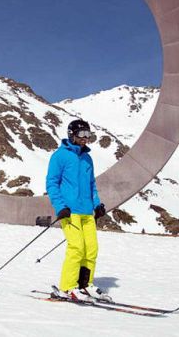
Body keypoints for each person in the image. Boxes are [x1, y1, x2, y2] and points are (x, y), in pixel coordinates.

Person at [46, 119, 111, 302]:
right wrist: (60, 206)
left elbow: (92, 185)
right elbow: (52, 183)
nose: (85, 139)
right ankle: (67, 288)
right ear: (71, 134)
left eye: (88, 135)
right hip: (70, 211)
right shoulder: (60, 156)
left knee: (91, 249)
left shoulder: (87, 158)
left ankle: (85, 285)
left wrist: (97, 205)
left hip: (86, 212)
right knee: (76, 248)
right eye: (82, 134)